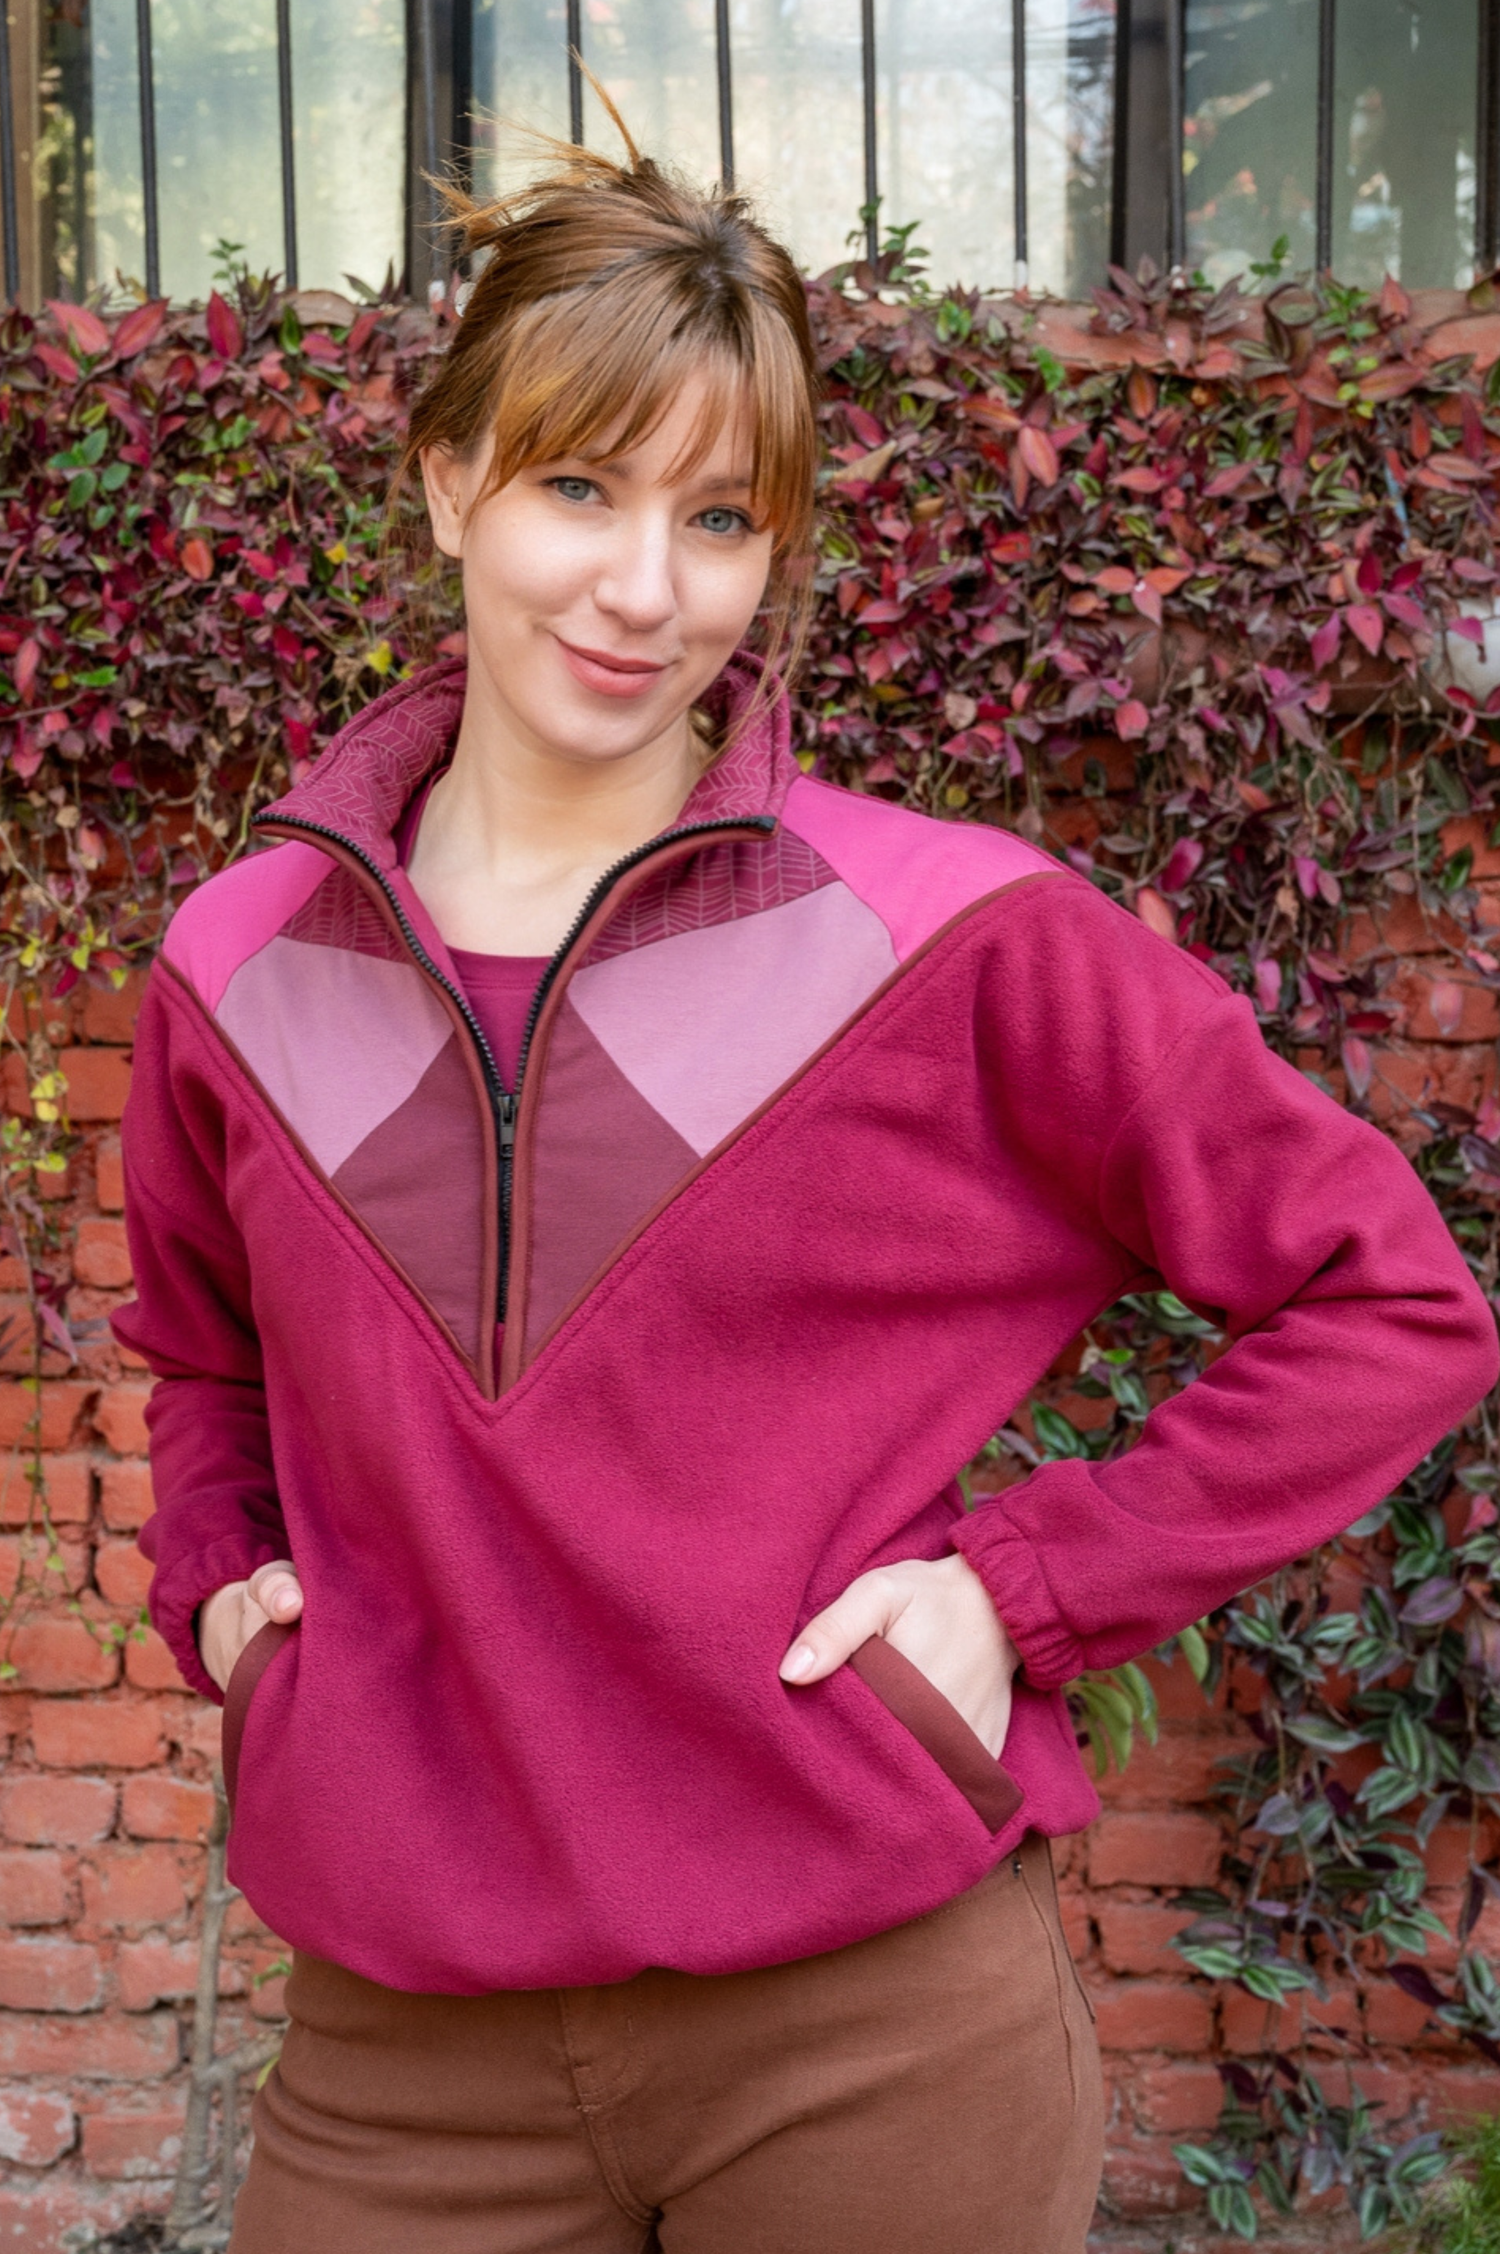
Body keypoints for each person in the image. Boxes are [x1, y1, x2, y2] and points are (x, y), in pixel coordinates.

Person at [114, 125, 1498, 2254]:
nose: (644, 588)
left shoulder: (954, 938)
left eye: (720, 517)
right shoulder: (236, 967)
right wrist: (223, 1572)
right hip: (403, 2060)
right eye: (580, 487)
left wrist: (1022, 1589)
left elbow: (1387, 1296)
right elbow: (205, 1356)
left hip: (875, 2039)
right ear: (449, 480)